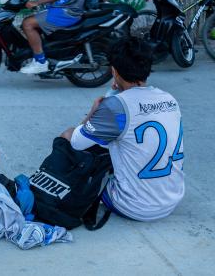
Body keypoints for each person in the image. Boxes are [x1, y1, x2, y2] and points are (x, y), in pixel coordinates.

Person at [60, 38, 184, 221]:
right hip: (172, 200)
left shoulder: (114, 106)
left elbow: (77, 142)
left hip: (135, 206)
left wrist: (93, 112)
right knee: (120, 140)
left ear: (114, 71)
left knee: (67, 135)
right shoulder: (169, 99)